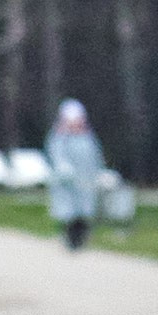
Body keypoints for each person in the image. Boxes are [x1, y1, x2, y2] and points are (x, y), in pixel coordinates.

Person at [45, 99, 104, 249]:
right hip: (66, 183)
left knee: (84, 211)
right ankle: (70, 239)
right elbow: (56, 155)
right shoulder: (59, 137)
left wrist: (100, 172)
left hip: (86, 182)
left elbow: (95, 156)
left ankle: (82, 238)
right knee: (68, 212)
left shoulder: (88, 137)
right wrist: (63, 168)